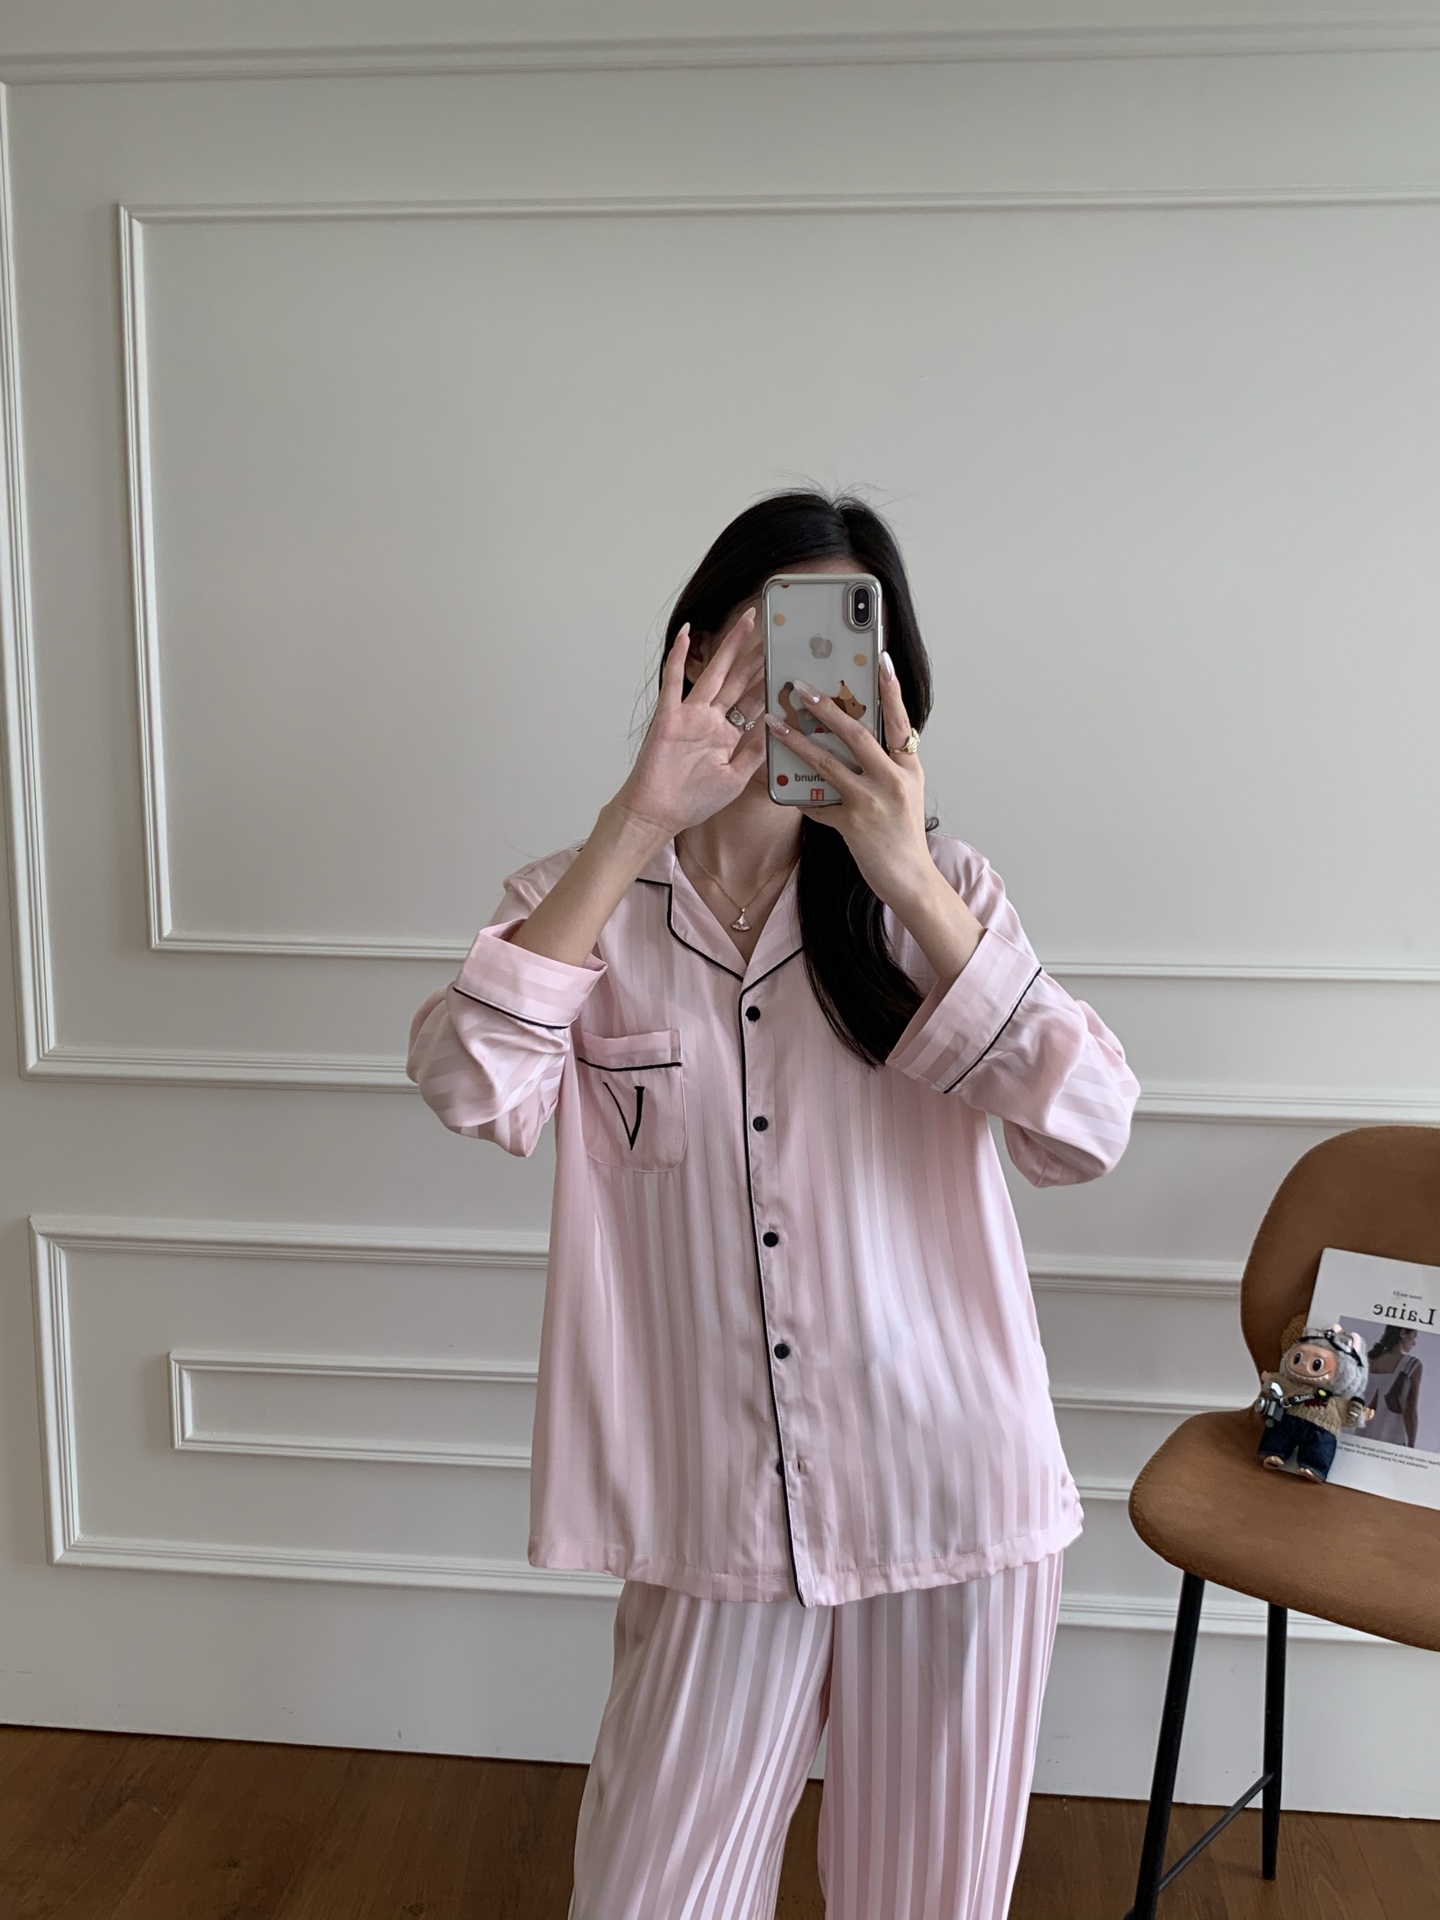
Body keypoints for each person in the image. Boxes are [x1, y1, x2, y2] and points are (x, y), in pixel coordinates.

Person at [407, 492, 1141, 1920]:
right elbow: (471, 1083)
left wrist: (909, 876)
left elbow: (1090, 1127)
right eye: (758, 640)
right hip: (716, 1521)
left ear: (883, 678)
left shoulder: (936, 903)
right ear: (692, 656)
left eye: (827, 644)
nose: (786, 682)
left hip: (954, 1498)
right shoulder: (583, 905)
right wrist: (638, 817)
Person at [1365, 1326, 1424, 1448]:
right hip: (1392, 1437)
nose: (1414, 1343)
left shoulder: (1368, 1360)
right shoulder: (1412, 1365)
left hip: (1362, 1431)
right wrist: (1411, 1445)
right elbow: (1411, 1410)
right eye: (1413, 1337)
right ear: (1403, 1333)